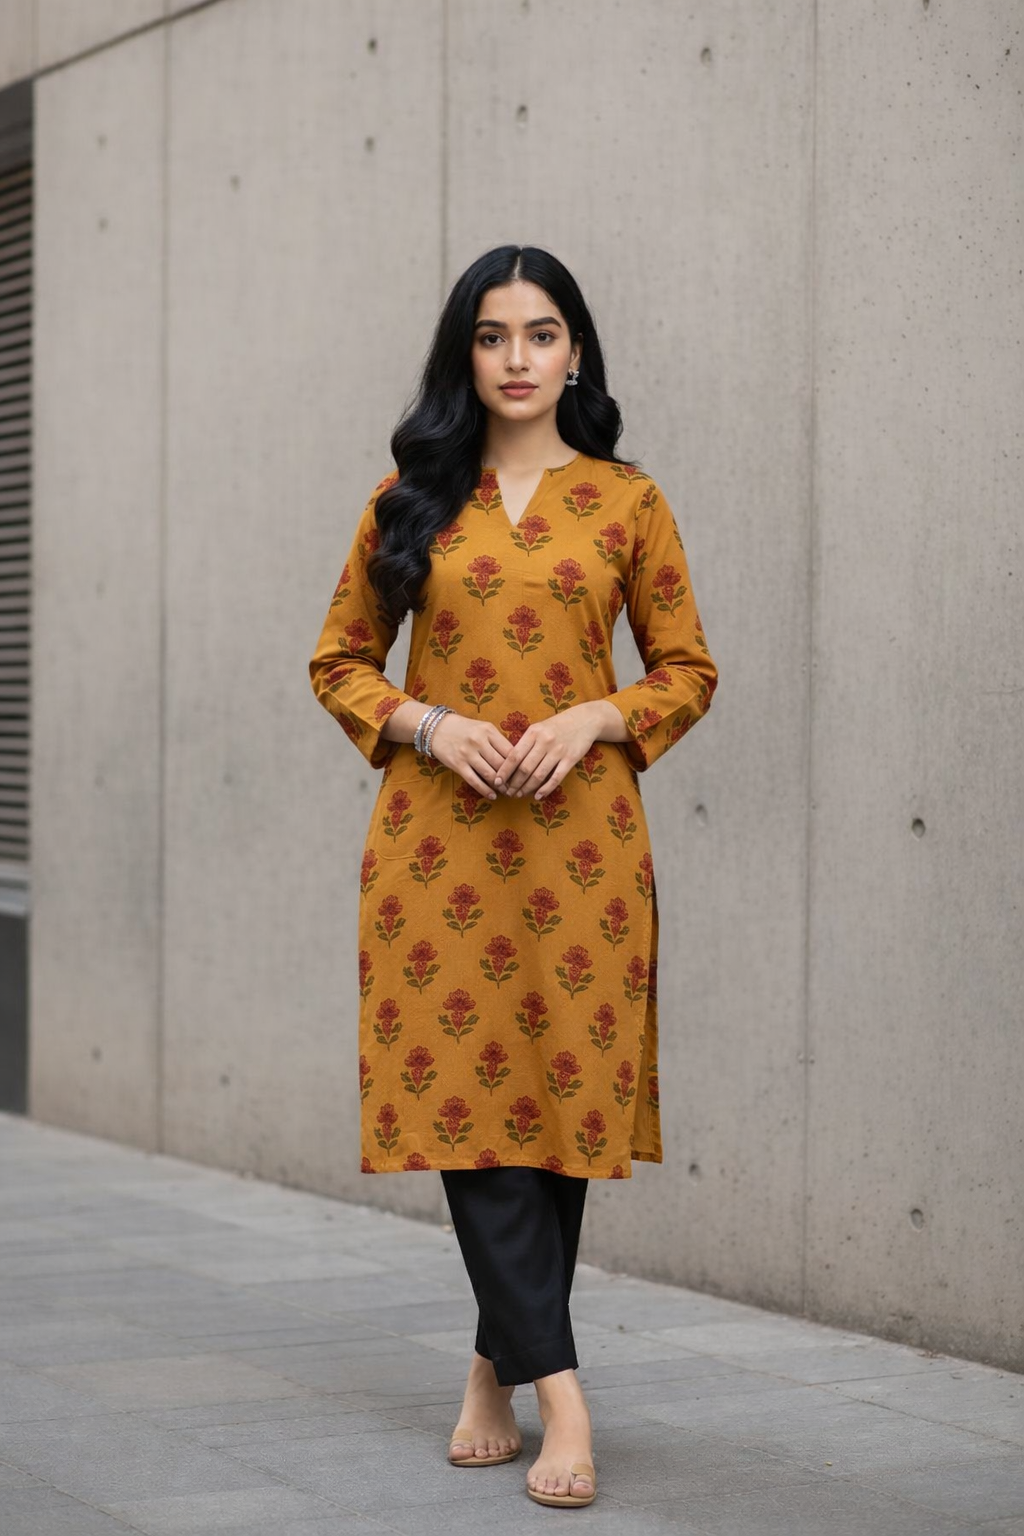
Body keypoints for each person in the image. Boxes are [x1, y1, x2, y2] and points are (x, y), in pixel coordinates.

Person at [309, 245, 717, 1508]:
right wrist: (431, 725)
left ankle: (493, 1372)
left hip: (582, 851)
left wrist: (595, 719)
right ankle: (567, 1400)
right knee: (469, 1112)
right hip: (435, 854)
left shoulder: (628, 502)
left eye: (542, 334)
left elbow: (687, 669)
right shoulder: (409, 497)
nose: (519, 358)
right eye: (493, 337)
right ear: (464, 356)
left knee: (552, 1116)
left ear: (576, 351)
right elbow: (338, 663)